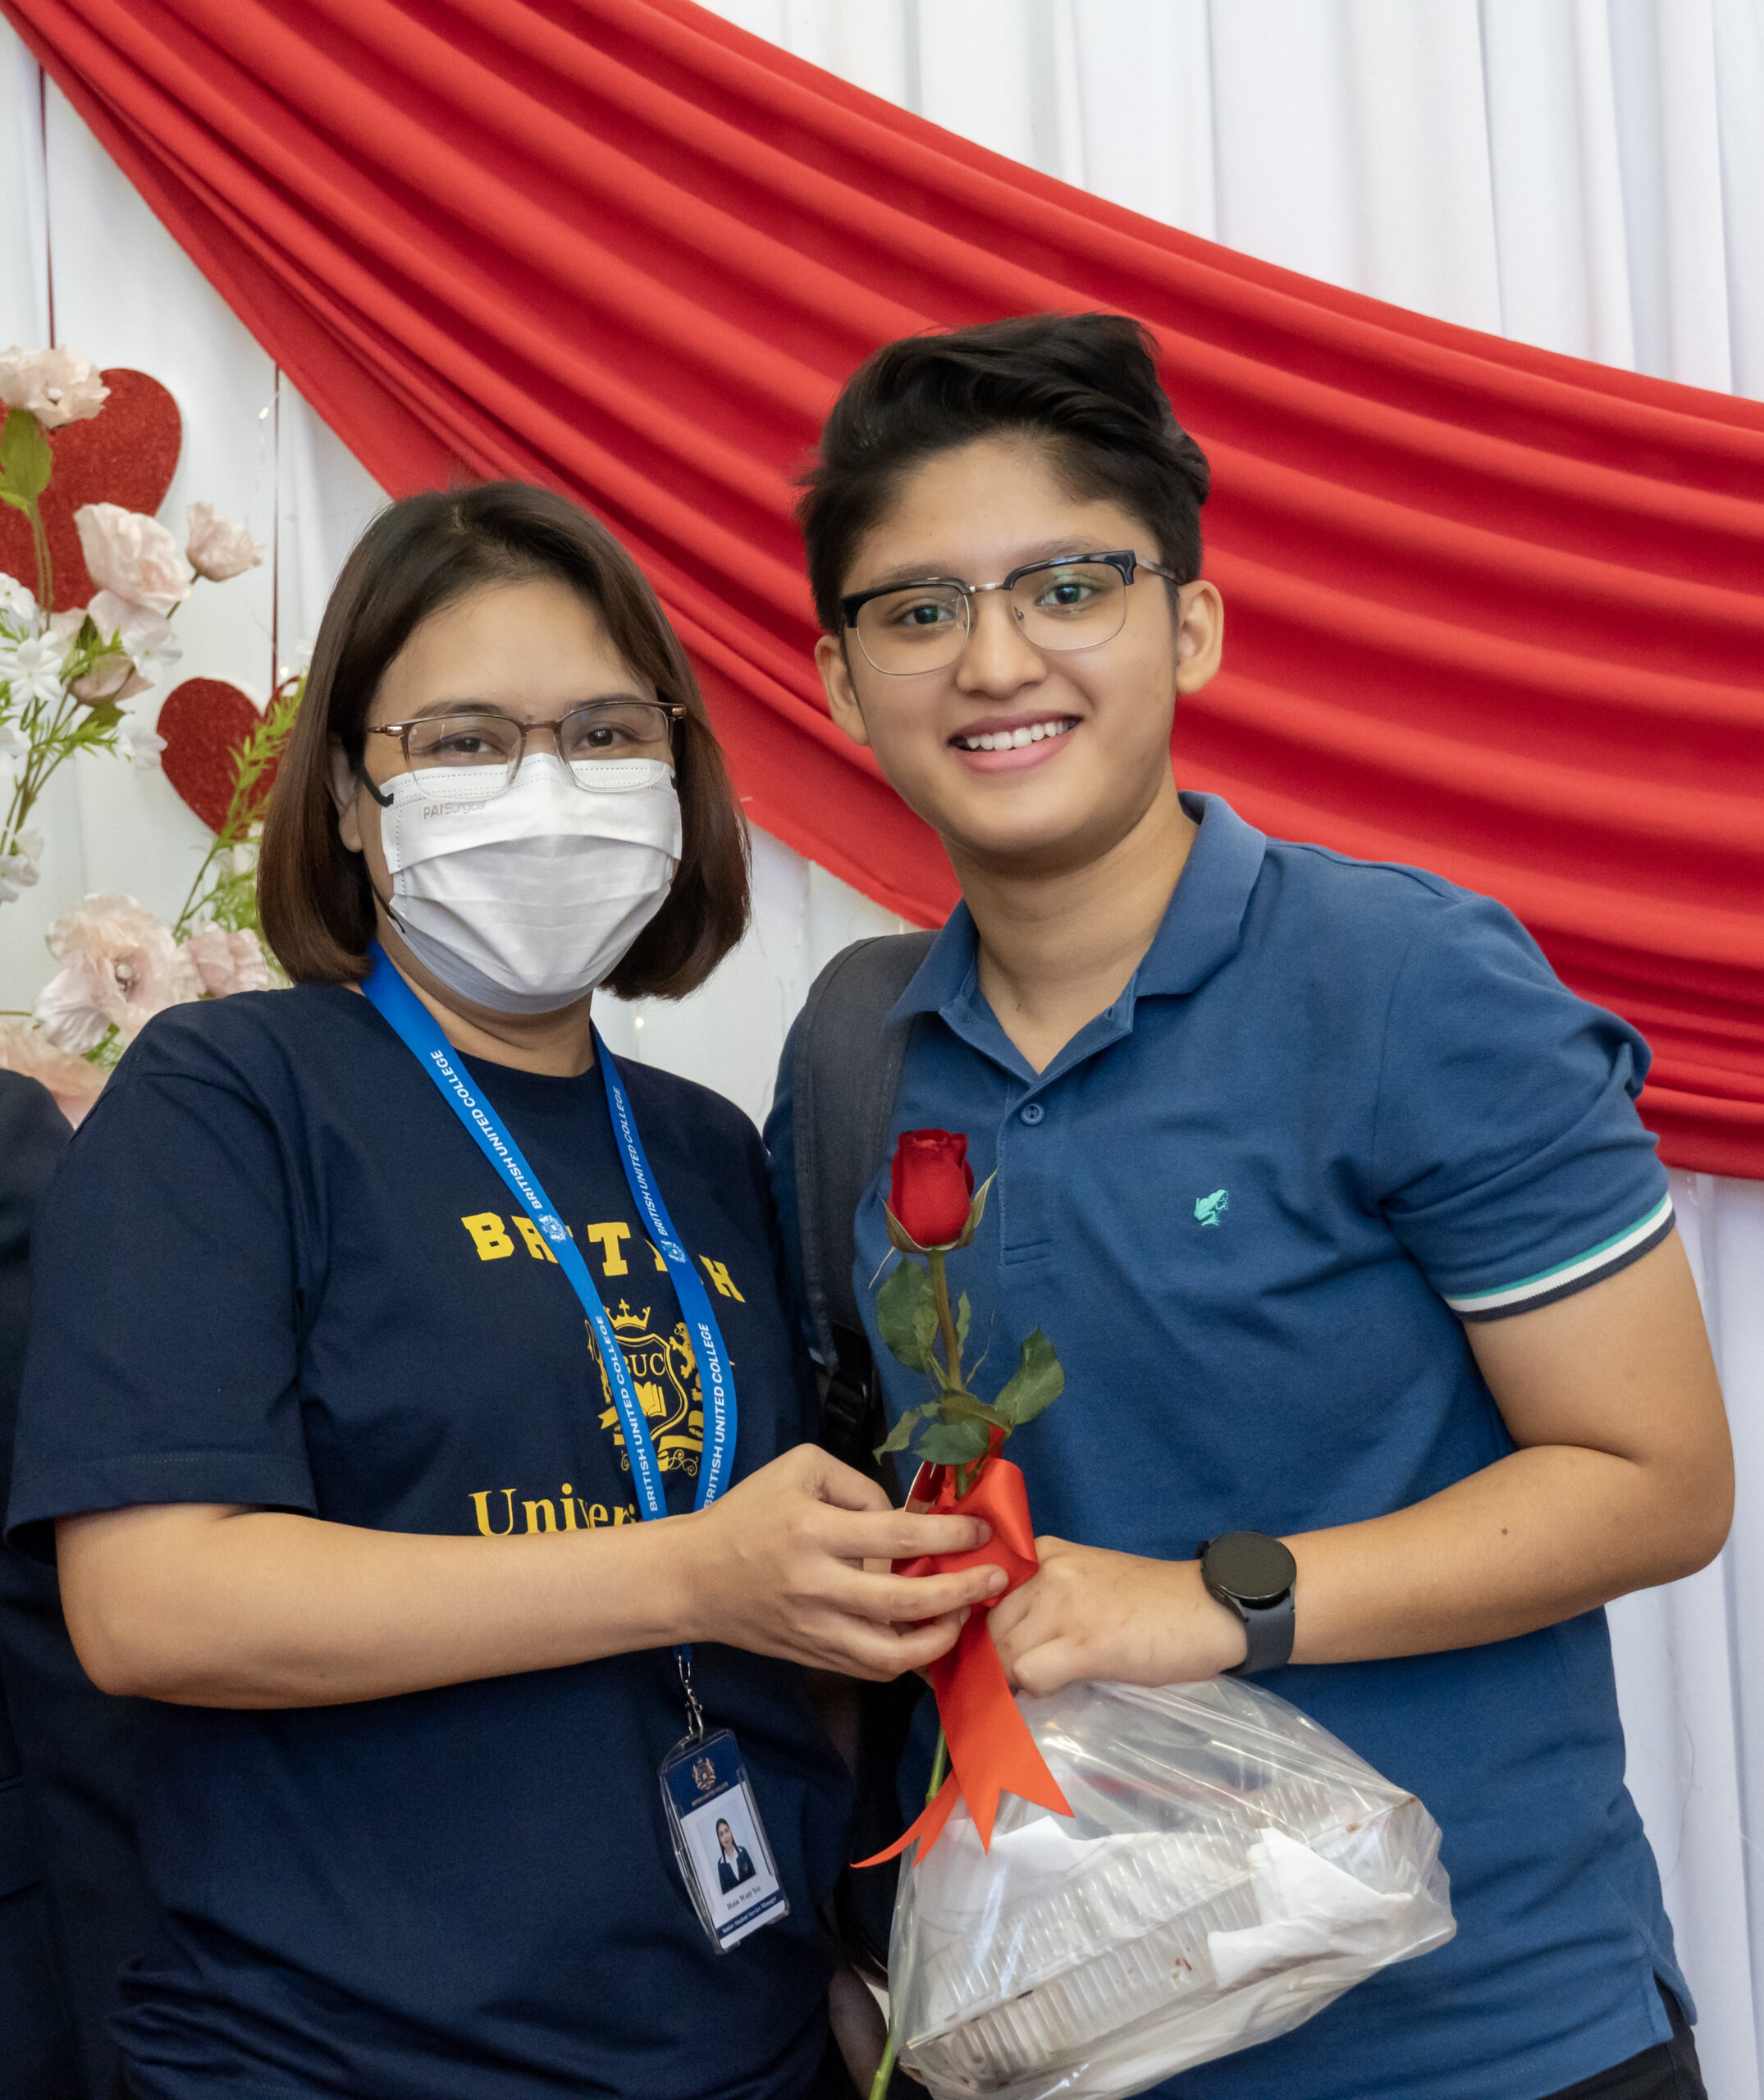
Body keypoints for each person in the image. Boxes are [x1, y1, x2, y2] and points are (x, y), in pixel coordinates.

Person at [766, 315, 1731, 2100]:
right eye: (918, 610)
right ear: (837, 679)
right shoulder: (853, 1054)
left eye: (1068, 587)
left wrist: (1218, 1602)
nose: (994, 658)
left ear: (1190, 626)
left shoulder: (1410, 982)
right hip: (1043, 2048)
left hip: (1484, 2041)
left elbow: (1656, 1477)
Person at [5, 482, 1006, 2100]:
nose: (548, 785)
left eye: (606, 733)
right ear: (351, 795)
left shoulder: (704, 1143)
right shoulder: (231, 1095)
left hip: (743, 2044)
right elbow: (152, 1606)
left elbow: (774, 1598)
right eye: (466, 741)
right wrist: (686, 1575)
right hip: (341, 2056)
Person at [716, 1815, 758, 1892]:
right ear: (719, 1839)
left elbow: (755, 1878)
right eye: (722, 1834)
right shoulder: (720, 1864)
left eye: (727, 1831)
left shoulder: (743, 1852)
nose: (726, 1836)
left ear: (731, 1832)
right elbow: (725, 1892)